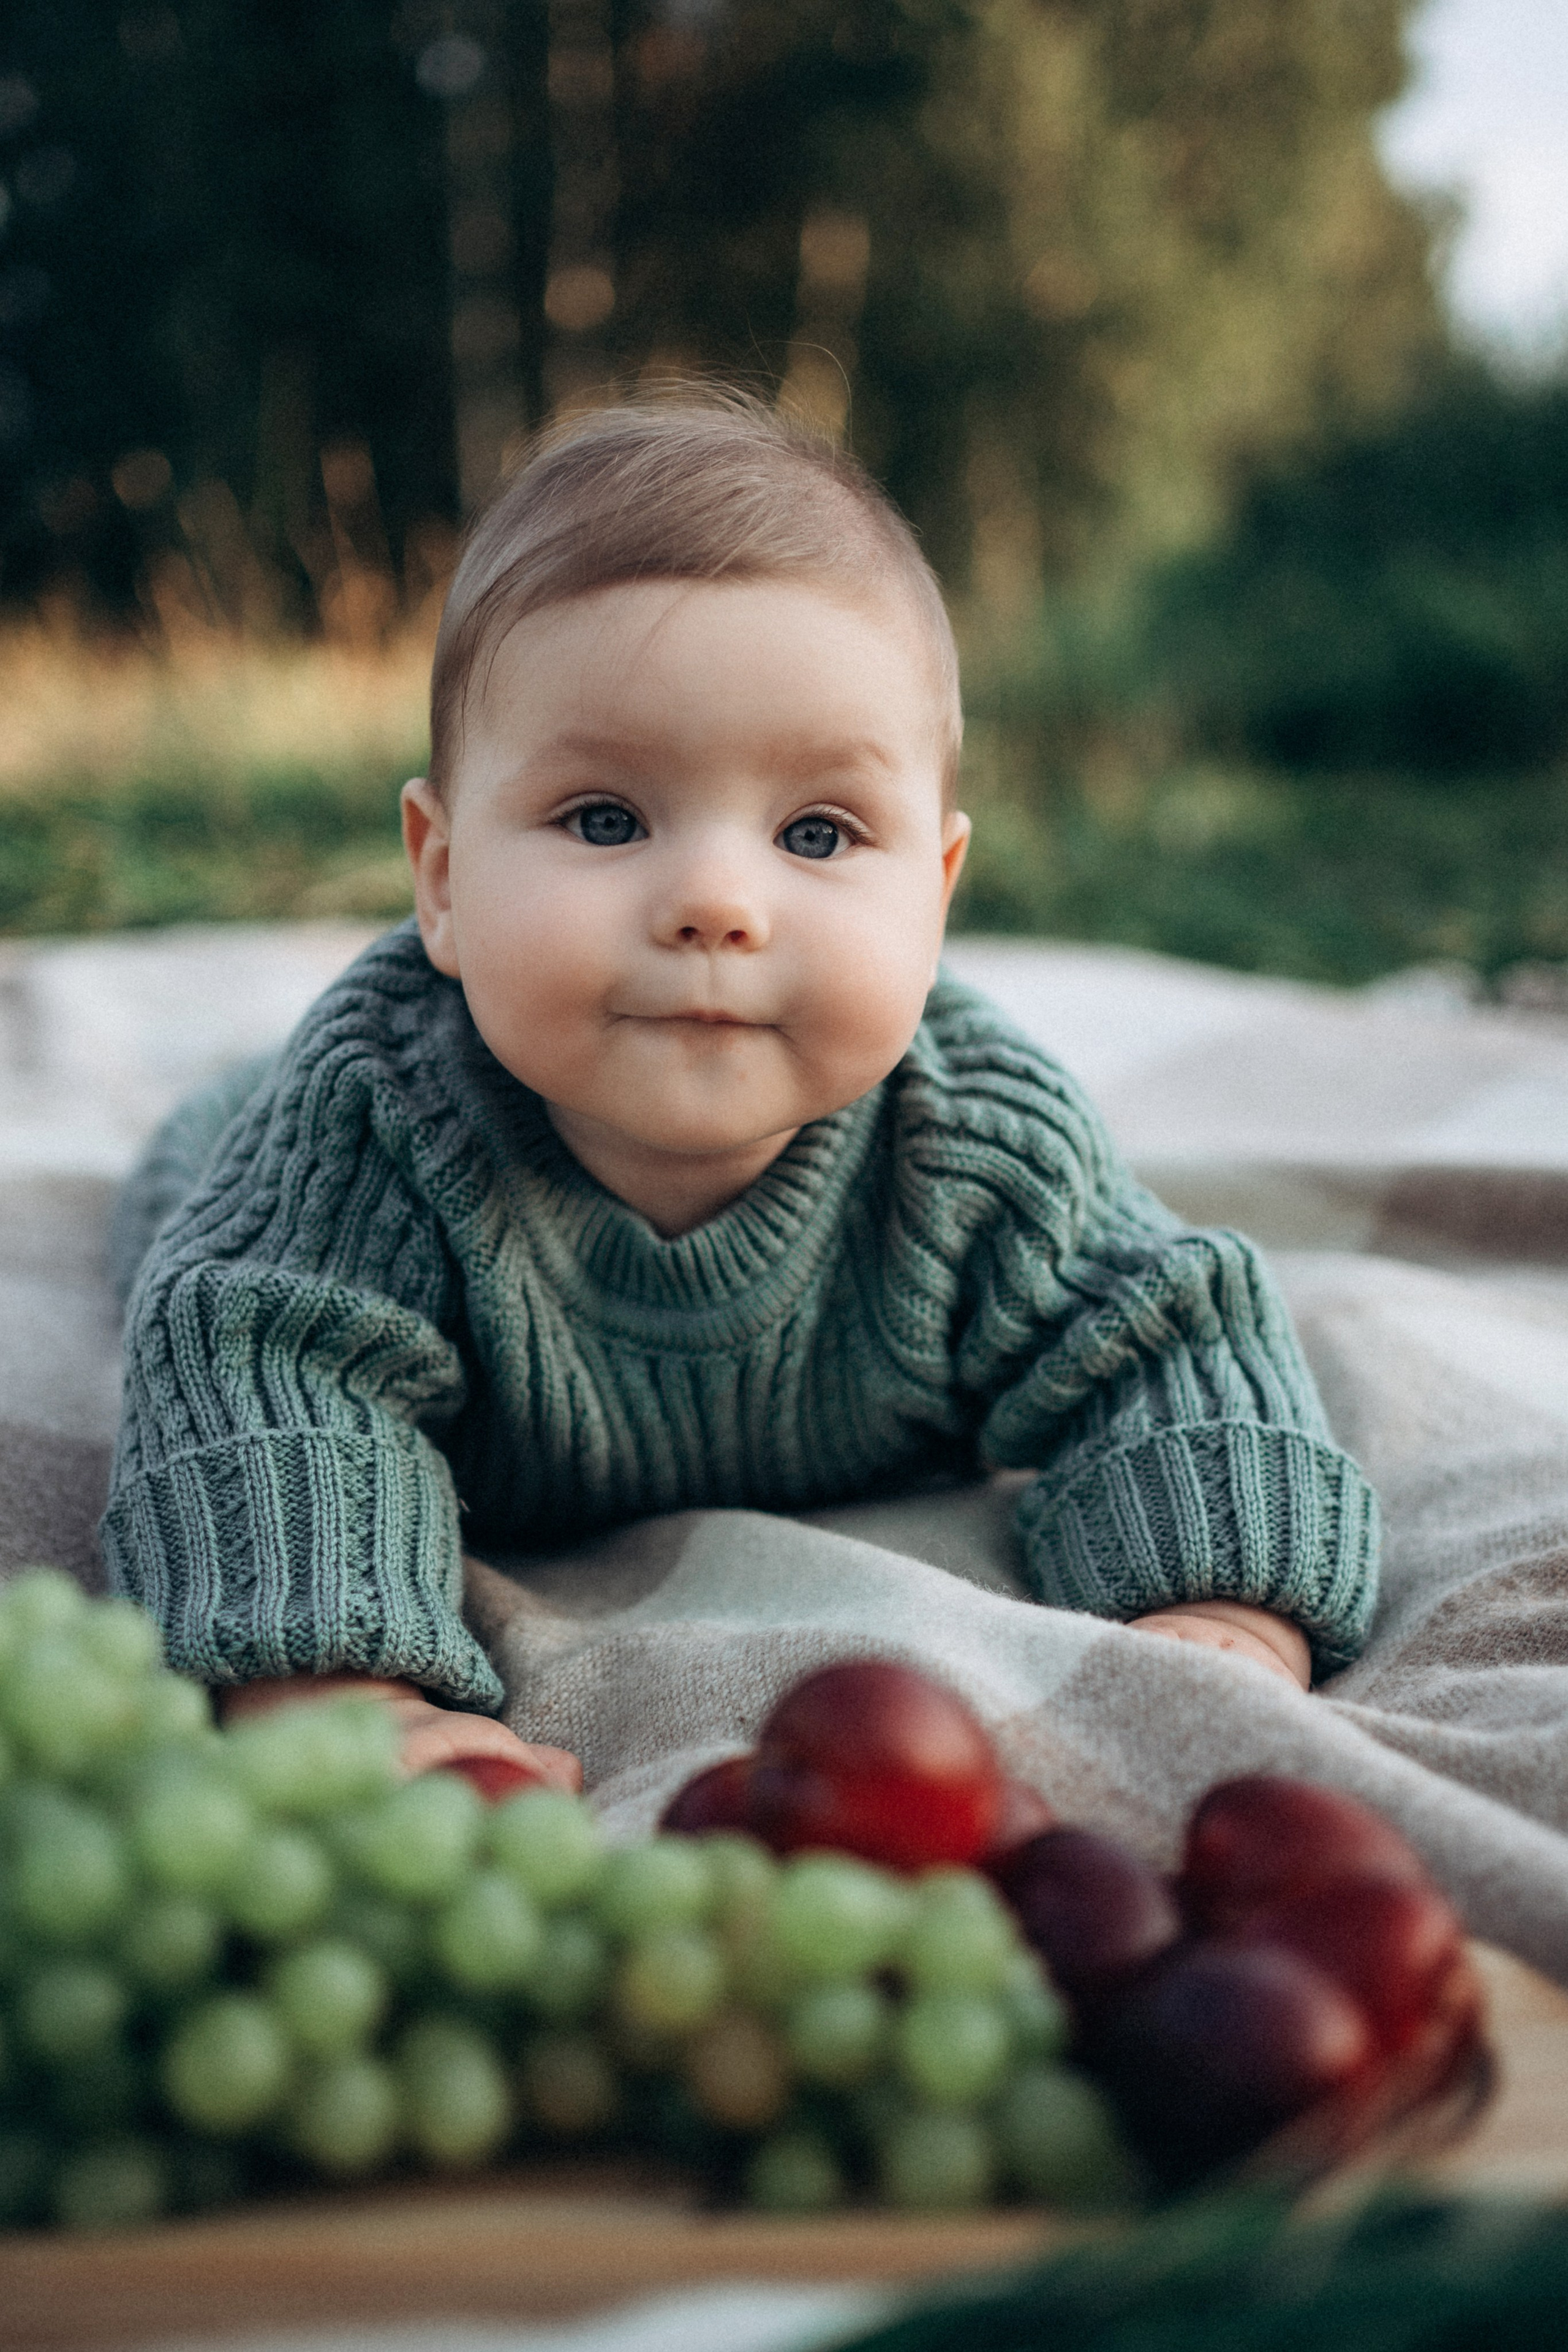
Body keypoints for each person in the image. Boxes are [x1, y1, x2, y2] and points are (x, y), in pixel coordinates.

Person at [104, 394, 1379, 1786]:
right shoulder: (373, 1127)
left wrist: (1217, 1597)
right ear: (444, 876)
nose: (715, 901)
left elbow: (1165, 1337)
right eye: (605, 818)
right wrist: (336, 1681)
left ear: (936, 897)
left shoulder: (973, 1140)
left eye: (816, 833)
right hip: (242, 1159)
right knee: (199, 1246)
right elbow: (258, 1375)